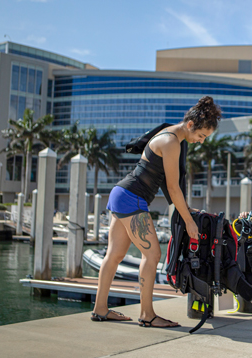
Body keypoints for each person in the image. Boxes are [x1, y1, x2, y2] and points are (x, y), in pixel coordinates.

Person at [91, 96, 222, 328]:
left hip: (121, 194)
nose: (200, 141)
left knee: (114, 255)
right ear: (190, 125)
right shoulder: (171, 141)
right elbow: (172, 186)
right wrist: (188, 221)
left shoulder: (172, 137)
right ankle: (147, 314)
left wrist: (185, 209)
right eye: (201, 136)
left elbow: (168, 185)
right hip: (132, 198)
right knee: (152, 255)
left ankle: (100, 309)